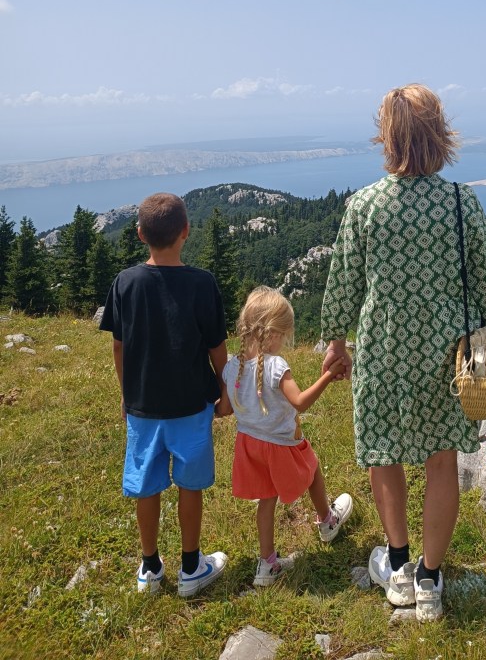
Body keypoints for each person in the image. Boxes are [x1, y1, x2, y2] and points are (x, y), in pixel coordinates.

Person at [320, 84, 486, 621]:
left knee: (384, 451)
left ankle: (397, 565)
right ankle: (430, 577)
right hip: (447, 353)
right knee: (442, 459)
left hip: (384, 347)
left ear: (389, 136)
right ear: (439, 133)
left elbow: (344, 282)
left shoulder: (365, 205)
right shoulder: (460, 202)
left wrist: (335, 340)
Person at [100, 192, 229, 597]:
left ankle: (150, 567)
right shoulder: (202, 283)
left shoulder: (126, 283)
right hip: (191, 404)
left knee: (147, 485)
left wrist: (126, 394)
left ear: (140, 234)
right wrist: (225, 391)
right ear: (186, 231)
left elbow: (119, 346)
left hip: (143, 406)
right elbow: (217, 347)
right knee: (190, 485)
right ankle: (192, 567)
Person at [216, 286, 353, 587]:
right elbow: (300, 402)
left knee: (267, 500)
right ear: (274, 333)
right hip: (281, 444)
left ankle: (267, 565)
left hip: (249, 445)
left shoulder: (232, 367)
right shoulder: (276, 366)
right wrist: (328, 376)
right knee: (312, 469)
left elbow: (224, 409)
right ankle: (327, 521)